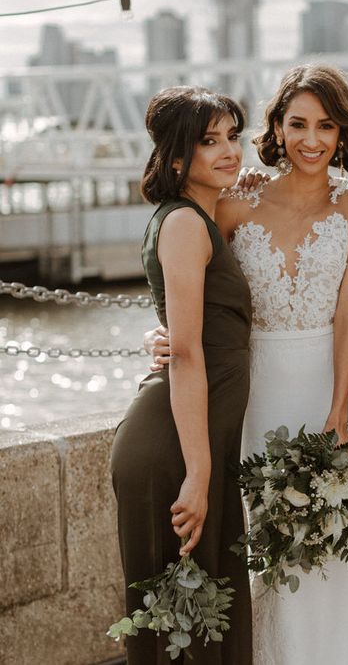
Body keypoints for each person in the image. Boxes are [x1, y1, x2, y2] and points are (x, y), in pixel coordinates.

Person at [147, 64, 348, 664]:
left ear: (342, 132)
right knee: (271, 559)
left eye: (326, 125)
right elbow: (206, 299)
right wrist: (166, 337)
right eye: (297, 123)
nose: (311, 139)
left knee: (334, 555)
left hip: (337, 388)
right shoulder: (234, 207)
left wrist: (338, 409)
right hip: (258, 395)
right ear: (276, 127)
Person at [111, 86, 253, 664]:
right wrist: (198, 473)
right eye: (209, 141)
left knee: (198, 620)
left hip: (194, 434)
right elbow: (189, 353)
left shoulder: (195, 217)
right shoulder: (186, 225)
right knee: (179, 629)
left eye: (233, 137)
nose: (229, 151)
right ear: (175, 158)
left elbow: (182, 326)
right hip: (175, 445)